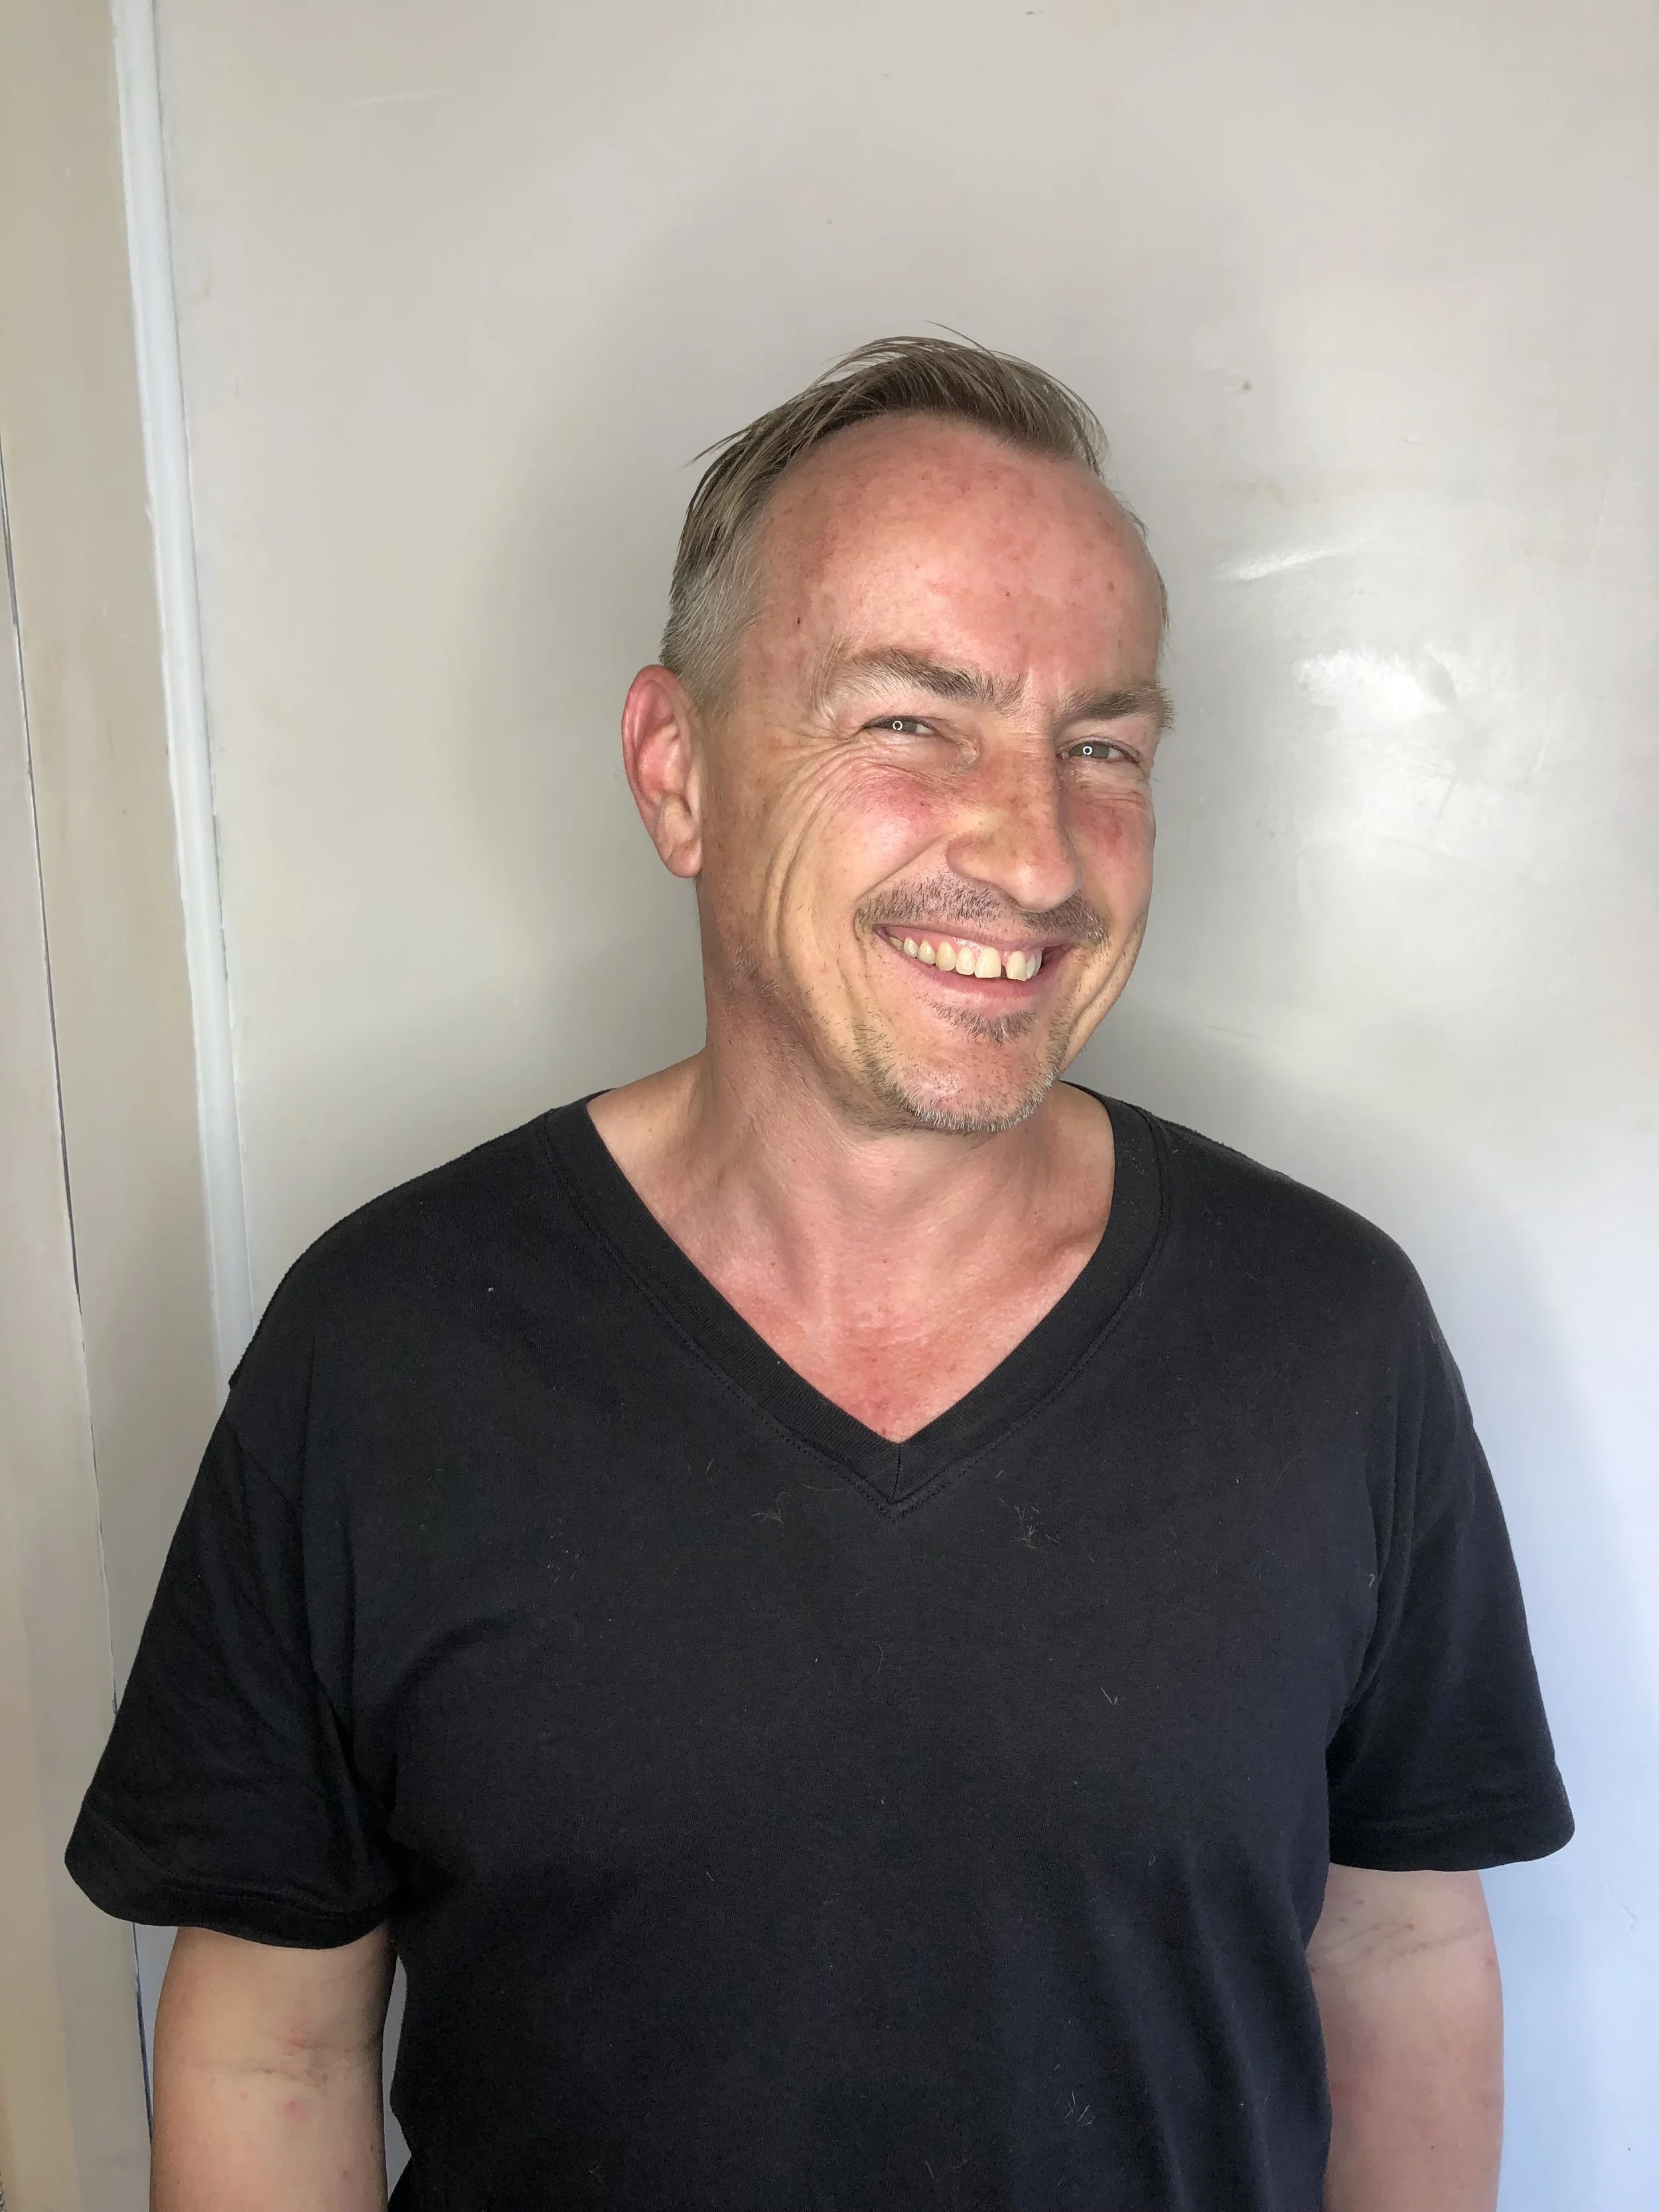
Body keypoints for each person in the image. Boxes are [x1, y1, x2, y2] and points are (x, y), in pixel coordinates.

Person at [68, 336, 1571, 2212]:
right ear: (676, 769)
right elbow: (270, 2037)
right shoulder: (379, 1351)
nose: (1034, 851)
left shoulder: (1330, 1335)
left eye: (1099, 743)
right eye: (909, 719)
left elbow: (1399, 1948)